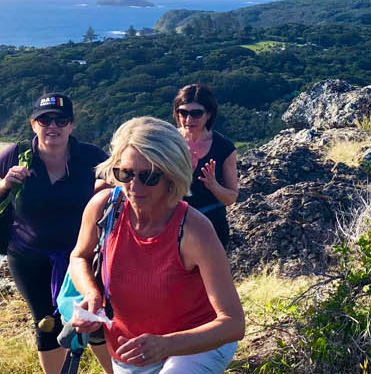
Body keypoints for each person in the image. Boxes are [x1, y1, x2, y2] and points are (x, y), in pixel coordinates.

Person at [68, 117, 243, 373]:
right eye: (125, 173)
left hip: (196, 343)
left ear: (172, 175)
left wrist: (166, 345)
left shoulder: (194, 230)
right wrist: (92, 293)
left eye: (149, 176)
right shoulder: (104, 208)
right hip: (132, 348)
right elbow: (79, 256)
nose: (134, 186)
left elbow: (234, 323)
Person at [0, 93, 114, 374]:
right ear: (33, 124)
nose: (53, 126)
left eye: (61, 120)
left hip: (83, 255)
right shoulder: (14, 155)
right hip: (28, 257)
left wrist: (104, 189)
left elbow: (121, 184)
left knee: (94, 317)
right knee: (46, 324)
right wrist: (4, 184)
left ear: (72, 125)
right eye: (44, 119)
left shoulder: (91, 157)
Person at [171, 85, 237, 251]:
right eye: (183, 113)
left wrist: (213, 186)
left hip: (211, 222)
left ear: (208, 115)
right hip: (172, 220)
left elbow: (231, 198)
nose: (188, 119)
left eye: (196, 113)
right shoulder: (167, 142)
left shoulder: (224, 148)